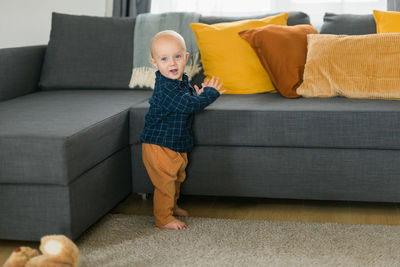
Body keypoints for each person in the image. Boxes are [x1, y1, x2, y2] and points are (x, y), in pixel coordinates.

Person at [141, 30, 225, 230]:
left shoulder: (180, 80)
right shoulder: (165, 88)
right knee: (165, 184)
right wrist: (209, 94)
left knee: (177, 178)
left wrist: (197, 94)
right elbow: (188, 105)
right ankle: (163, 218)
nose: (172, 63)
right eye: (164, 59)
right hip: (159, 145)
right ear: (154, 63)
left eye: (177, 57)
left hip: (174, 143)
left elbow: (186, 98)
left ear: (186, 58)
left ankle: (171, 207)